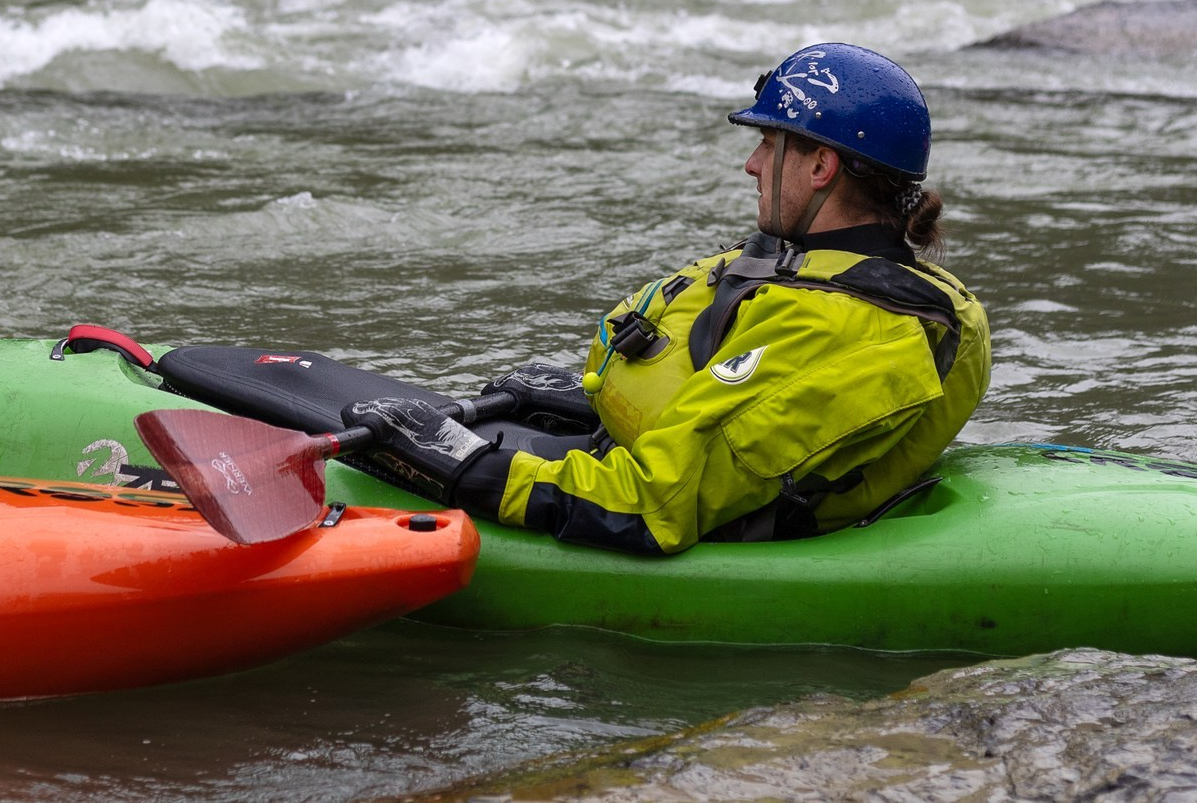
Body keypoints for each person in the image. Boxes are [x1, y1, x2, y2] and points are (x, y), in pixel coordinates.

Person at [342, 43, 990, 556]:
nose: (752, 164)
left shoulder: (852, 327)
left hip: (693, 524)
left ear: (821, 166)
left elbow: (649, 505)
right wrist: (582, 398)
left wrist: (468, 466)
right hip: (656, 460)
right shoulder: (823, 269)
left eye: (770, 144)